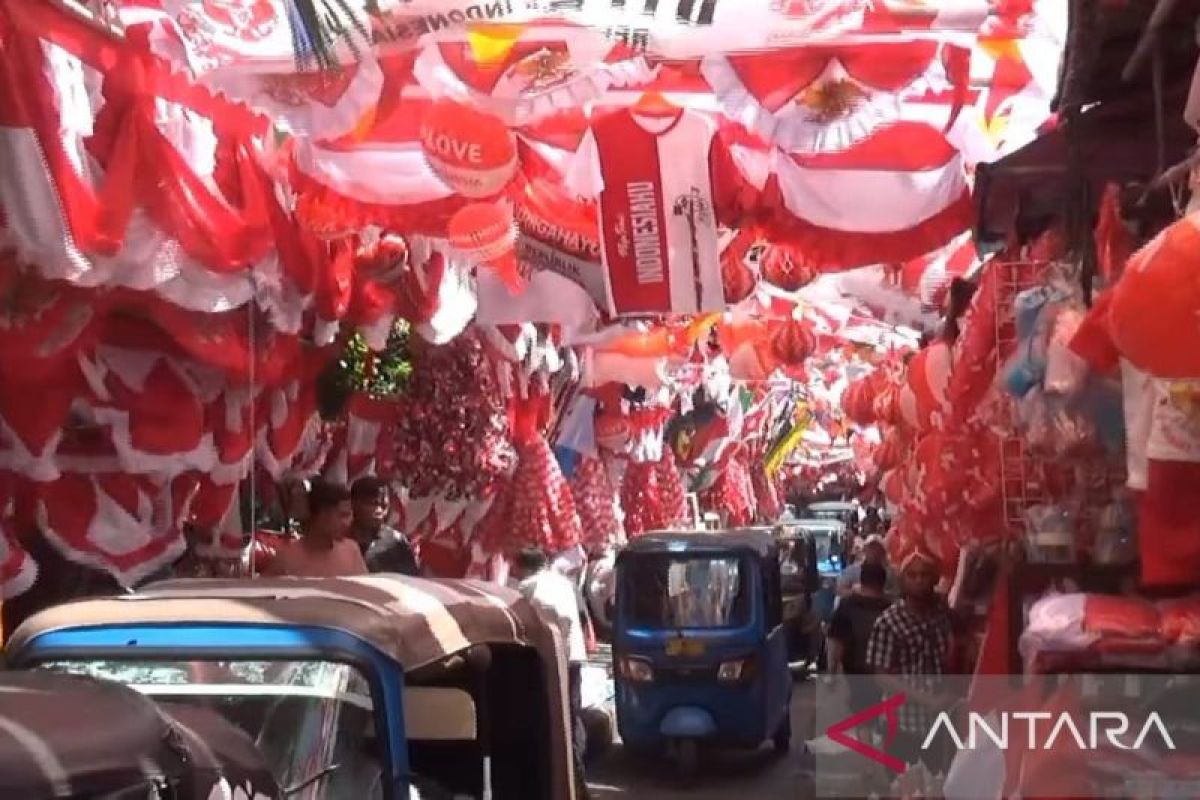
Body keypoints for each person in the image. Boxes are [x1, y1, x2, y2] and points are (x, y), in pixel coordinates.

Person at [865, 550, 956, 771]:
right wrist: (925, 699)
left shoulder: (940, 614)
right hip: (903, 725)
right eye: (912, 575)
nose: (919, 580)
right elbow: (882, 676)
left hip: (939, 724)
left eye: (924, 574)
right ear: (902, 580)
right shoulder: (889, 622)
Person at [512, 547, 590, 800]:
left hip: (553, 662)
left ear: (521, 567)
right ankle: (577, 775)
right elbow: (579, 617)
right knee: (572, 715)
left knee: (555, 719)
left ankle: (570, 778)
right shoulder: (565, 583)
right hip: (574, 658)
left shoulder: (527, 588)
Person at [827, 561, 892, 711]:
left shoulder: (847, 606)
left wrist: (832, 672)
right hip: (887, 672)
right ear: (883, 582)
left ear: (861, 581)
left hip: (856, 670)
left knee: (864, 718)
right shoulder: (892, 607)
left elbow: (835, 642)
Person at [266, 481, 367, 578]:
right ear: (321, 515)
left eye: (350, 515)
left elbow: (366, 592)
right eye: (342, 515)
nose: (348, 522)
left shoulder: (351, 550)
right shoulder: (287, 558)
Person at [350, 477, 420, 576]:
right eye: (373, 504)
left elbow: (411, 580)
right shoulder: (340, 538)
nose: (380, 512)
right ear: (354, 503)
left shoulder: (396, 542)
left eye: (384, 506)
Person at [837, 534, 895, 598]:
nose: (874, 552)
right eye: (871, 548)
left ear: (883, 552)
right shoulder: (852, 571)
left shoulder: (891, 574)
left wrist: (878, 593)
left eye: (877, 548)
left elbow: (895, 595)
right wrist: (854, 592)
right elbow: (840, 590)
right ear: (865, 550)